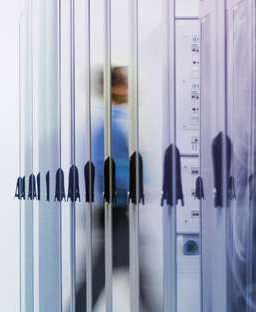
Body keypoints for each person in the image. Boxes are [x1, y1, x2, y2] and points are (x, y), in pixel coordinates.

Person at [71, 66, 154, 311]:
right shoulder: (109, 125)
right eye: (124, 83)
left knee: (124, 278)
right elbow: (104, 168)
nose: (128, 89)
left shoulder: (116, 123)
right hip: (114, 212)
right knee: (103, 278)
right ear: (113, 88)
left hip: (116, 211)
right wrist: (134, 184)